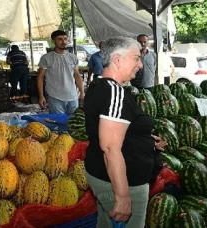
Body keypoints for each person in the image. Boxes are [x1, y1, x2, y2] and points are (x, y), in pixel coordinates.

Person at [83, 36, 166, 228]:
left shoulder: (99, 85)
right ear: (117, 60)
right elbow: (110, 147)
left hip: (104, 174)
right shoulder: (113, 92)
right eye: (136, 58)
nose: (140, 65)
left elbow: (106, 129)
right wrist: (122, 197)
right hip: (120, 182)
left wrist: (142, 139)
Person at [36, 30, 84, 114]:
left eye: (65, 39)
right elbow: (40, 77)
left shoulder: (73, 57)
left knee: (74, 124)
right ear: (53, 41)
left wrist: (82, 92)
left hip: (72, 96)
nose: (63, 42)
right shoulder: (46, 58)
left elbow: (77, 75)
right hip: (55, 97)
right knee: (58, 124)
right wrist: (41, 96)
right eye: (60, 39)